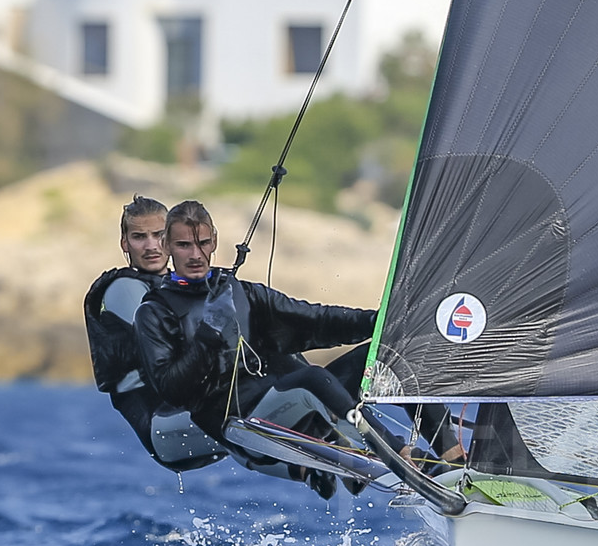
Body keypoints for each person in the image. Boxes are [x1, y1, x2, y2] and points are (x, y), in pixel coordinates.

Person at [135, 199, 421, 498]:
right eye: (183, 245)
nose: (195, 255)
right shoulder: (154, 313)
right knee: (312, 379)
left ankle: (450, 454)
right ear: (166, 245)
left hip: (288, 409)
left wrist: (381, 323)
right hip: (243, 427)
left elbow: (318, 320)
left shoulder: (241, 291)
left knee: (390, 352)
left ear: (214, 241)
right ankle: (398, 453)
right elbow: (171, 390)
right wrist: (208, 334)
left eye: (203, 243)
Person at [83, 196, 230, 472]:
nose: (151, 245)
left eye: (159, 235)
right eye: (139, 237)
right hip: (164, 430)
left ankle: (312, 463)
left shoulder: (179, 287)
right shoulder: (123, 289)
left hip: (197, 419)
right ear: (125, 244)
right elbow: (175, 341)